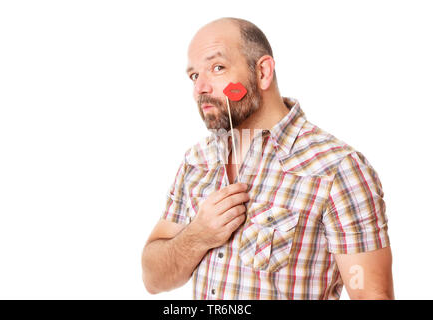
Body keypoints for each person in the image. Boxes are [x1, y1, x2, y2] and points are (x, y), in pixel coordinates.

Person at [141, 17, 394, 300]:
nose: (200, 88)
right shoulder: (197, 162)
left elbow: (371, 295)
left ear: (262, 72)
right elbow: (153, 279)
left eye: (217, 68)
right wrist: (197, 236)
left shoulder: (337, 169)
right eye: (194, 75)